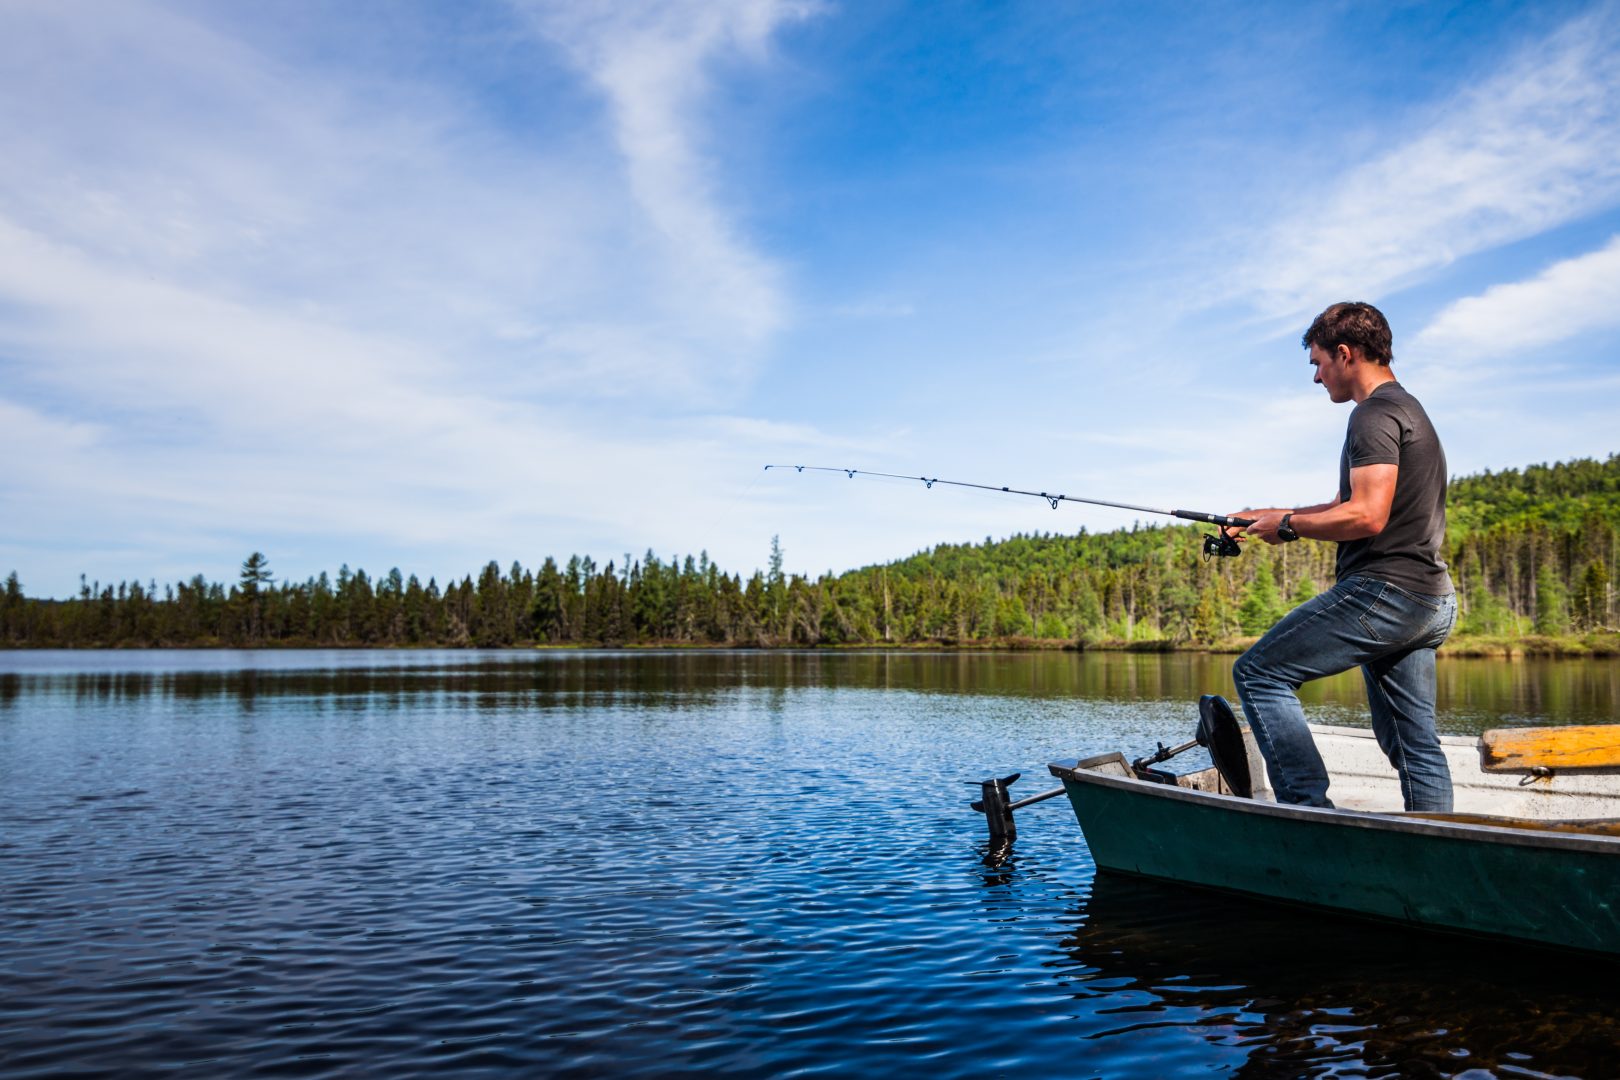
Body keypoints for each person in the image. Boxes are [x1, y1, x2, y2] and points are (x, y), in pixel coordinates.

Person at [1231, 301, 1456, 811]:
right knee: (1414, 743)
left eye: (1317, 363)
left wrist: (1287, 526)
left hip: (1386, 595)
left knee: (1259, 673)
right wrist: (1269, 515)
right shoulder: (1408, 408)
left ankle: (1307, 811)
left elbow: (1368, 517)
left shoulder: (1372, 415)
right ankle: (1435, 847)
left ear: (1345, 353)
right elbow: (1347, 505)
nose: (1316, 377)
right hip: (1428, 601)